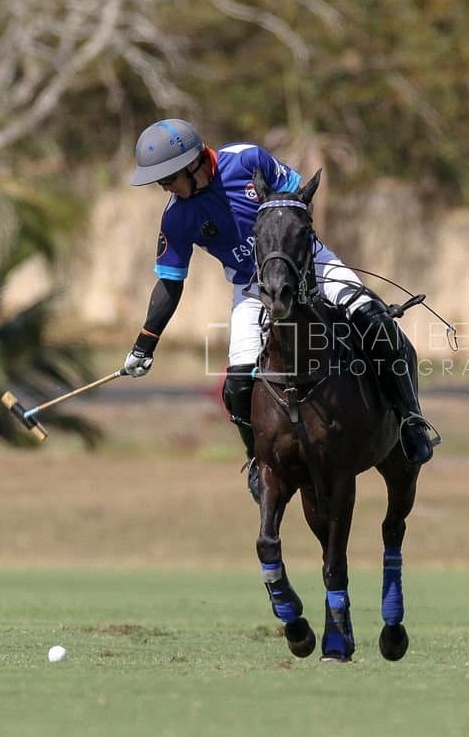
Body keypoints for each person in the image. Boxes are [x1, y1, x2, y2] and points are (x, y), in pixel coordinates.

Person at [122, 118, 437, 499]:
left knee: (378, 325)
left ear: (193, 164)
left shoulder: (247, 161)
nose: (164, 188)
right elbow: (170, 284)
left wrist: (297, 262)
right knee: (237, 382)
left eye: (167, 178)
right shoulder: (177, 217)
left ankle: (410, 420)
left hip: (309, 265)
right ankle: (256, 458)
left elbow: (297, 203)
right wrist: (144, 345)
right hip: (251, 286)